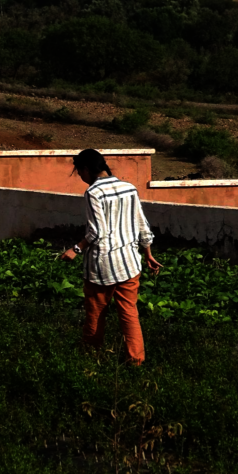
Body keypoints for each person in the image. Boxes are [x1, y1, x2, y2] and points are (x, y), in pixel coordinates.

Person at [59, 149, 162, 365]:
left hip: (102, 266)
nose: (81, 177)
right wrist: (148, 254)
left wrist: (75, 249)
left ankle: (90, 358)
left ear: (86, 169)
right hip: (129, 264)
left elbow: (97, 232)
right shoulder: (129, 187)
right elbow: (142, 224)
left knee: (96, 314)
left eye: (79, 173)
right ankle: (136, 361)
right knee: (129, 314)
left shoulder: (93, 193)